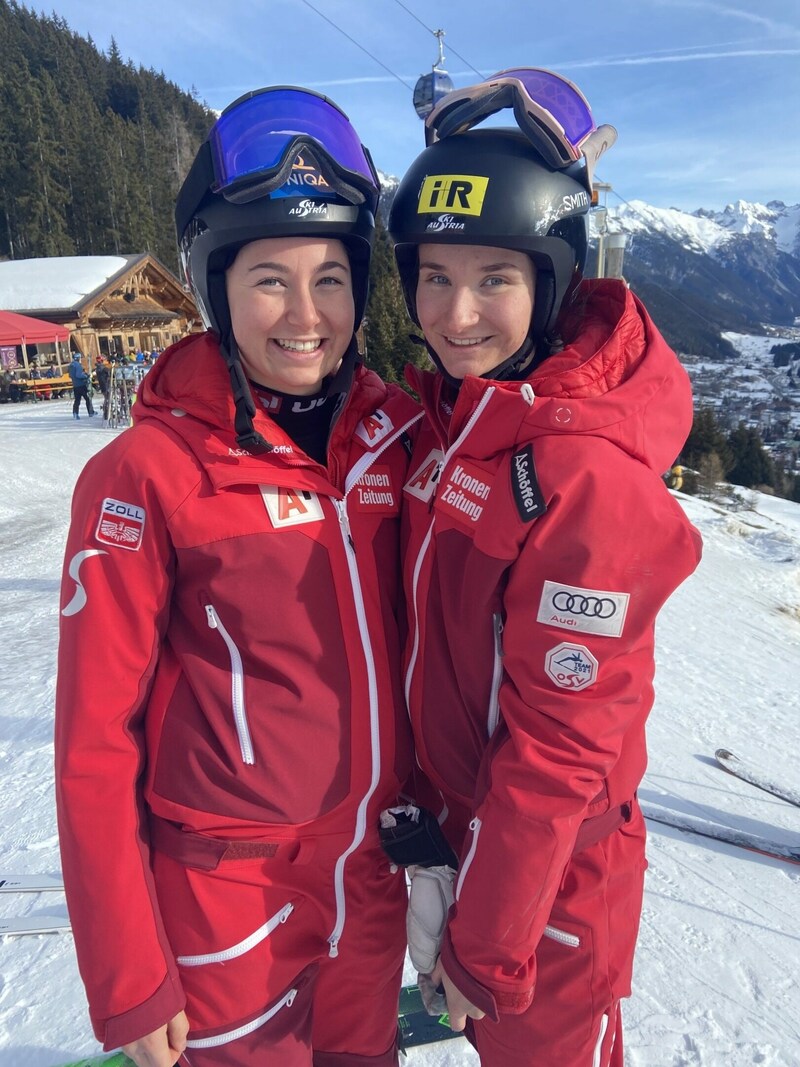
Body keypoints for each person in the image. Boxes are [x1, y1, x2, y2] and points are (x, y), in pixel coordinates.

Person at [55, 85, 421, 1067]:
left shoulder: (394, 439)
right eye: (268, 278)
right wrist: (125, 973)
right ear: (214, 287)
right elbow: (93, 742)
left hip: (370, 881)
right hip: (229, 897)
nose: (306, 315)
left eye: (331, 279)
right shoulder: (146, 475)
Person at [388, 68, 703, 1066]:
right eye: (432, 276)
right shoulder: (456, 422)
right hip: (461, 854)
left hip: (550, 890)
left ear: (552, 282)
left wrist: (484, 949)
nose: (455, 313)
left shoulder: (583, 482)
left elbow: (561, 750)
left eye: (493, 279)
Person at [67, 353, 96, 418]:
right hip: (81, 385)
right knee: (88, 398)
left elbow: (70, 375)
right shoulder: (78, 365)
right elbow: (78, 375)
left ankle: (75, 413)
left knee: (77, 400)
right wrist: (85, 376)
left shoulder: (71, 365)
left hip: (75, 385)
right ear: (78, 358)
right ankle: (91, 412)